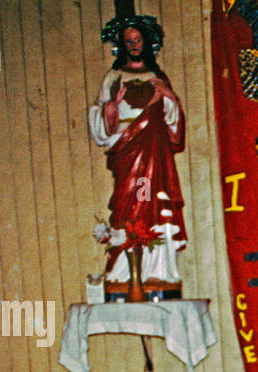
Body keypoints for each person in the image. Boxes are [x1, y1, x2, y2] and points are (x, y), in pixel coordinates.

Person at [89, 15, 186, 293]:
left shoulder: (156, 76)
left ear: (146, 43)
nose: (133, 45)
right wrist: (110, 108)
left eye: (137, 40)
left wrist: (169, 97)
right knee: (130, 202)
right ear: (122, 44)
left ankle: (157, 269)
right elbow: (101, 116)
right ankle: (124, 271)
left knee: (151, 200)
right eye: (128, 41)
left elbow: (173, 121)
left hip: (152, 150)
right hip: (128, 149)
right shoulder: (113, 77)